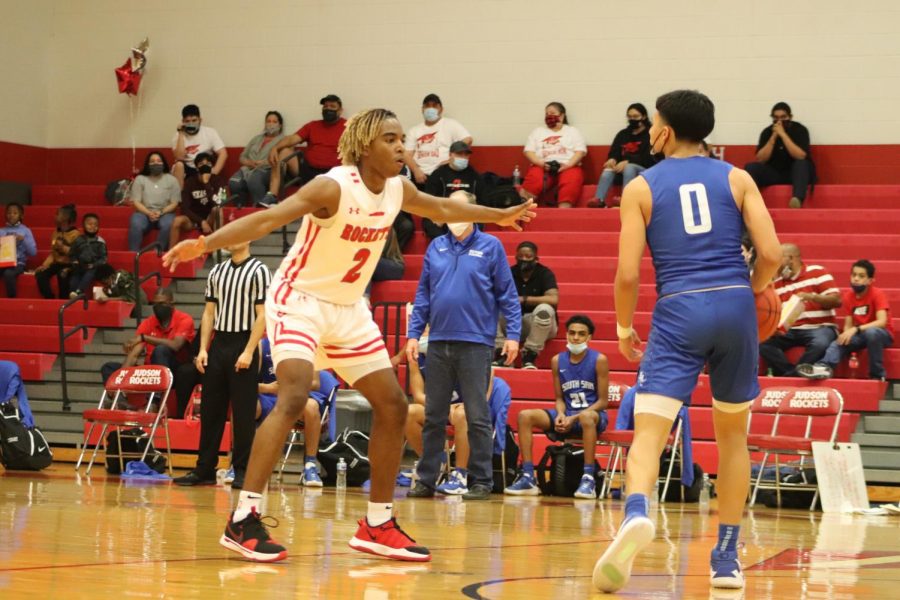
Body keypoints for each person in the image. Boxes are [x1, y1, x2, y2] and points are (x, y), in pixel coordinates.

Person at [163, 108, 534, 563]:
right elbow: (268, 219)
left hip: (348, 309)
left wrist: (499, 214)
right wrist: (205, 243)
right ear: (364, 147)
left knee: (394, 404)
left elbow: (441, 208)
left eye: (403, 139)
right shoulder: (332, 187)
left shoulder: (398, 188)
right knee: (295, 395)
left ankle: (377, 523)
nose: (402, 146)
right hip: (298, 300)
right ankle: (244, 518)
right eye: (390, 139)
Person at [593, 90, 781, 593]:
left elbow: (627, 274)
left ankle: (636, 512)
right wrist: (756, 290)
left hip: (680, 307)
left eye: (654, 122)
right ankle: (725, 557)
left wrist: (624, 327)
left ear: (666, 130)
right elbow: (771, 252)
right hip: (736, 304)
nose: (651, 130)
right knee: (733, 438)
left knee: (650, 432)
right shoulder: (737, 177)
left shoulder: (641, 186)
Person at [405, 191, 521, 501]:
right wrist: (414, 334)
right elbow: (423, 295)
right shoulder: (436, 246)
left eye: (460, 206)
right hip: (439, 342)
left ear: (473, 208)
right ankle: (427, 479)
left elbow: (507, 294)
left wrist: (513, 335)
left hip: (475, 343)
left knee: (476, 415)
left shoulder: (491, 246)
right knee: (433, 415)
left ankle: (481, 481)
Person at [173, 242, 271, 490]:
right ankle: (205, 468)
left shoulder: (259, 270)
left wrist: (249, 350)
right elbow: (208, 313)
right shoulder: (217, 271)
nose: (232, 239)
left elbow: (263, 314)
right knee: (210, 411)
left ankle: (242, 470)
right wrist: (204, 348)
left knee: (243, 413)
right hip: (219, 344)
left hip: (243, 341)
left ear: (249, 239)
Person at [505, 314, 609, 498]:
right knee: (525, 416)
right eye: (572, 333)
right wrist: (561, 414)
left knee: (585, 417)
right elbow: (559, 397)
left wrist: (574, 417)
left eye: (581, 334)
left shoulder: (599, 359)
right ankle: (528, 476)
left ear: (589, 337)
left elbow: (602, 401)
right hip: (567, 413)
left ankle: (588, 478)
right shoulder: (557, 361)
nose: (576, 337)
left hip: (592, 416)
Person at [255, 335, 340, 486]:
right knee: (246, 405)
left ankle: (310, 466)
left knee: (311, 407)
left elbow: (315, 383)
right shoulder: (262, 345)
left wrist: (289, 388)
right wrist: (269, 388)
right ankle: (240, 463)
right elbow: (248, 383)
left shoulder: (309, 346)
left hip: (297, 396)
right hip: (270, 397)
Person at [798, 259, 894, 380]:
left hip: (881, 333)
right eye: (854, 275)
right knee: (839, 341)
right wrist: (846, 334)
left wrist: (855, 329)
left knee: (872, 333)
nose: (856, 279)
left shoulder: (877, 294)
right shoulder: (848, 296)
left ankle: (877, 374)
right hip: (861, 333)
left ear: (870, 280)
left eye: (861, 276)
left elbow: (882, 322)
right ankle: (823, 367)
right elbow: (848, 324)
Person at [759, 243, 841, 376]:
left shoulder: (817, 272)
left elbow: (837, 301)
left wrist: (812, 297)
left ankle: (790, 376)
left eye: (779, 259)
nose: (776, 263)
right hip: (791, 330)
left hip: (819, 327)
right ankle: (794, 373)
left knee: (820, 343)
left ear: (790, 258)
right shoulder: (778, 284)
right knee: (762, 342)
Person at [100, 288, 196, 385]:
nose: (159, 307)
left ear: (171, 304)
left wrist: (144, 337)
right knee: (109, 368)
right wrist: (120, 378)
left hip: (174, 371)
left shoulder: (184, 319)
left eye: (162, 303)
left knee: (160, 350)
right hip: (150, 372)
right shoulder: (148, 323)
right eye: (156, 304)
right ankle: (120, 398)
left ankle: (157, 396)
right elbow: (134, 354)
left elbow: (176, 345)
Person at [264, 95, 347, 207]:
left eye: (332, 106)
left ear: (340, 110)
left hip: (334, 172)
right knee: (283, 151)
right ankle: (272, 196)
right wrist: (275, 148)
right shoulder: (312, 125)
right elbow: (292, 139)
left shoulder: (348, 127)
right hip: (309, 170)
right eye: (325, 106)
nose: (328, 109)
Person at [494, 241, 559, 369]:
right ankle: (502, 354)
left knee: (544, 309)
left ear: (536, 259)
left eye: (528, 256)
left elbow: (553, 299)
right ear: (516, 257)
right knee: (489, 308)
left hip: (541, 325)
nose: (524, 259)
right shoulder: (508, 273)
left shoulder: (544, 273)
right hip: (513, 322)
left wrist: (524, 299)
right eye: (521, 256)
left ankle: (529, 355)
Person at [744, 102, 814, 208]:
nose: (779, 121)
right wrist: (774, 136)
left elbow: (801, 156)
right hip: (774, 173)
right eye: (776, 118)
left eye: (783, 117)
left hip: (795, 174)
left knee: (802, 164)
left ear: (790, 117)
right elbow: (761, 159)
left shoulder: (800, 130)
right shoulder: (767, 132)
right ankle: (750, 202)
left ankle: (797, 200)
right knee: (750, 167)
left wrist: (783, 134)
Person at [521, 102, 587, 208]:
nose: (548, 116)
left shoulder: (572, 131)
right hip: (542, 165)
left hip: (568, 165)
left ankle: (563, 213)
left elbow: (580, 151)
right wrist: (540, 163)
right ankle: (521, 208)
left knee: (571, 179)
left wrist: (568, 165)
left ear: (561, 115)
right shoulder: (538, 131)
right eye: (547, 114)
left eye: (552, 113)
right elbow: (528, 151)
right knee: (535, 178)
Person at [592, 103, 657, 208]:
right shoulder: (623, 134)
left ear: (644, 117)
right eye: (629, 117)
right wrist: (612, 160)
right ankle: (599, 200)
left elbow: (650, 158)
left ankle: (627, 200)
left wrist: (628, 161)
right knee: (608, 171)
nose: (632, 119)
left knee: (629, 167)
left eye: (635, 116)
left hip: (645, 170)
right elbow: (614, 152)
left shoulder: (651, 134)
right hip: (622, 170)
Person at [422, 142, 486, 239]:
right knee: (429, 224)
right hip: (443, 212)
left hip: (467, 213)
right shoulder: (438, 174)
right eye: (459, 154)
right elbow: (429, 199)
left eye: (466, 154)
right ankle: (445, 247)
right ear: (450, 155)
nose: (463, 157)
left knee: (479, 223)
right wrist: (441, 216)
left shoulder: (474, 175)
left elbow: (481, 201)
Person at [404, 93, 473, 186]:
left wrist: (450, 160)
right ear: (422, 109)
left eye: (435, 106)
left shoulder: (451, 124)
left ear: (441, 109)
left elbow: (468, 139)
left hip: (444, 174)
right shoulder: (414, 130)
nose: (430, 109)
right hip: (420, 175)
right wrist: (416, 170)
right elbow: (407, 155)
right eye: (427, 106)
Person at [169, 152, 227, 248]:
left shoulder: (218, 181)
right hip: (193, 219)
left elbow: (219, 202)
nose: (205, 166)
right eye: (201, 164)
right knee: (177, 221)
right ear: (196, 167)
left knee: (217, 210)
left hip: (210, 217)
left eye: (208, 164)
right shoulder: (190, 182)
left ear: (212, 166)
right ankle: (171, 253)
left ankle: (218, 248)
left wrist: (206, 183)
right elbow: (184, 207)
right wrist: (201, 221)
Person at [229, 111, 285, 208]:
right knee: (234, 181)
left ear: (280, 125)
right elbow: (242, 157)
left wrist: (263, 163)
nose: (271, 124)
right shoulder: (256, 139)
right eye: (268, 121)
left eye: (274, 122)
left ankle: (259, 210)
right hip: (248, 168)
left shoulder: (283, 140)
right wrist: (249, 162)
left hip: (267, 170)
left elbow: (282, 161)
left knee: (254, 179)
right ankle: (240, 210)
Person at [128, 151, 181, 251]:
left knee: (168, 223)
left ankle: (157, 252)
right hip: (144, 213)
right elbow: (136, 201)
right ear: (147, 164)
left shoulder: (172, 180)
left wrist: (161, 212)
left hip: (165, 212)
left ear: (163, 163)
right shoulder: (140, 179)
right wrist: (148, 213)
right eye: (152, 161)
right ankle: (133, 255)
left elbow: (174, 203)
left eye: (158, 161)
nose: (155, 163)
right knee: (136, 222)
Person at [171, 104, 227, 188]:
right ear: (183, 121)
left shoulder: (210, 132)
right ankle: (179, 199)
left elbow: (223, 154)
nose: (191, 123)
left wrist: (214, 171)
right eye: (187, 121)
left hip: (204, 166)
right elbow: (179, 157)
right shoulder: (178, 136)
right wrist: (181, 134)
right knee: (178, 165)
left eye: (194, 120)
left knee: (205, 163)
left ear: (200, 120)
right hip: (188, 168)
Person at [35, 204, 80, 299]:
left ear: (65, 218)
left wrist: (63, 247)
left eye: (57, 214)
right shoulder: (55, 233)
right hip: (57, 263)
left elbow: (75, 254)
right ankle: (49, 298)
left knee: (62, 275)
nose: (55, 216)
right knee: (40, 274)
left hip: (70, 265)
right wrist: (44, 265)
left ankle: (62, 301)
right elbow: (53, 253)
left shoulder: (75, 234)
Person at [0, 203, 36, 298]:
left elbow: (33, 252)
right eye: (9, 213)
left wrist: (23, 240)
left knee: (8, 274)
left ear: (21, 215)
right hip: (2, 262)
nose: (11, 215)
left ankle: (11, 299)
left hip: (18, 263)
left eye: (15, 213)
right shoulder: (1, 231)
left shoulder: (25, 231)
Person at [67, 213, 107, 298]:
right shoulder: (78, 239)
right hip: (80, 265)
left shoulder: (100, 241)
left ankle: (79, 291)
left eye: (95, 224)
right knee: (75, 276)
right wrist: (74, 260)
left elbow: (103, 259)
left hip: (93, 267)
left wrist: (94, 264)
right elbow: (72, 253)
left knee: (90, 273)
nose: (92, 226)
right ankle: (72, 292)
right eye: (89, 224)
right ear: (83, 225)